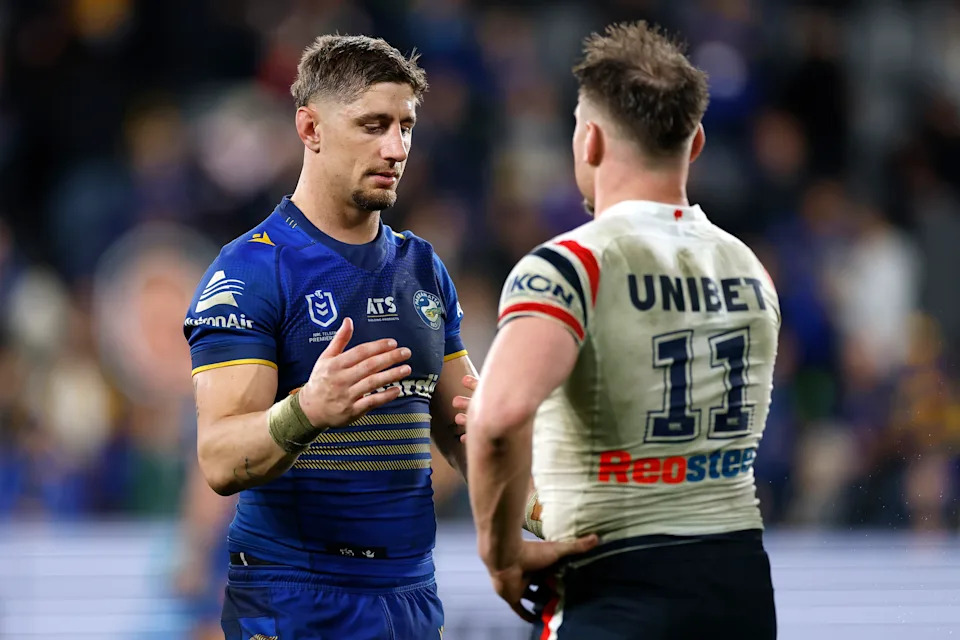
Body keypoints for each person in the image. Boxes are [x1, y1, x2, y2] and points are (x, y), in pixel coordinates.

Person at [462, 21, 781, 639]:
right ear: (696, 142)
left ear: (590, 140)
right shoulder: (751, 269)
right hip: (740, 582)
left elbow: (497, 421)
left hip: (616, 584)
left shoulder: (570, 265)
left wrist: (501, 554)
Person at [184, 34, 476, 639]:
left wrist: (549, 514)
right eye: (373, 125)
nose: (396, 148)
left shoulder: (423, 270)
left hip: (411, 596)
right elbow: (218, 458)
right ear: (310, 128)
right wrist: (308, 410)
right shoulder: (250, 270)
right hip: (295, 599)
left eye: (405, 127)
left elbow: (469, 433)